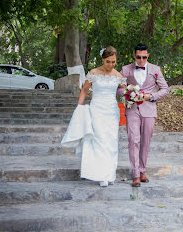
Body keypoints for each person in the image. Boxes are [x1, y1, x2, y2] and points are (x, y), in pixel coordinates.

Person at [61, 46, 126, 187]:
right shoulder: (93, 73)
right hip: (96, 110)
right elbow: (84, 91)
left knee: (111, 142)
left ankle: (109, 174)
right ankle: (99, 173)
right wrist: (79, 108)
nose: (111, 65)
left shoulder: (119, 76)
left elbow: (124, 93)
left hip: (112, 111)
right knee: (98, 140)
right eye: (108, 61)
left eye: (114, 62)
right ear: (103, 59)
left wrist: (133, 94)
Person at [118, 43, 169, 187]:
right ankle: (135, 174)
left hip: (149, 109)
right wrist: (128, 93)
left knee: (145, 142)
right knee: (133, 141)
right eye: (139, 57)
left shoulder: (155, 69)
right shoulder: (125, 69)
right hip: (132, 108)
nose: (141, 60)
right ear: (134, 55)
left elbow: (165, 89)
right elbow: (118, 89)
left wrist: (150, 96)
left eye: (144, 57)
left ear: (148, 56)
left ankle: (142, 171)